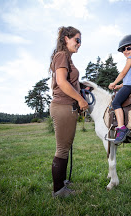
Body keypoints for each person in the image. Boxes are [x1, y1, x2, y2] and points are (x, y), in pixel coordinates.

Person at [49, 26, 88, 198]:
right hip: (63, 106)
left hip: (68, 107)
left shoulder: (67, 58)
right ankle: (59, 191)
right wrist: (80, 99)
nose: (79, 44)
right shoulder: (62, 55)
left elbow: (70, 83)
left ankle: (62, 183)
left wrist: (80, 93)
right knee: (62, 149)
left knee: (65, 146)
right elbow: (62, 82)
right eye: (77, 40)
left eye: (80, 41)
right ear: (66, 38)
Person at [108, 35, 131, 145]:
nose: (125, 51)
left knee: (115, 103)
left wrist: (114, 83)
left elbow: (123, 73)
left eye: (129, 48)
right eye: (124, 49)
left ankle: (122, 128)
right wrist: (119, 86)